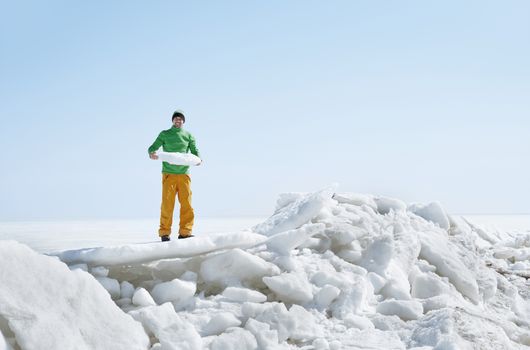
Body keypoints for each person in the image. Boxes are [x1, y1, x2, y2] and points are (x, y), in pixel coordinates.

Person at [148, 111, 201, 242]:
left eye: (180, 119)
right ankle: (164, 233)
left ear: (183, 121)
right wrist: (151, 153)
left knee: (187, 204)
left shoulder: (188, 135)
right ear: (172, 120)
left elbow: (194, 150)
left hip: (184, 174)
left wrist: (199, 159)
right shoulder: (165, 134)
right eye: (176, 119)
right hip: (168, 174)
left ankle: (185, 232)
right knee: (167, 204)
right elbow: (153, 147)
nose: (178, 121)